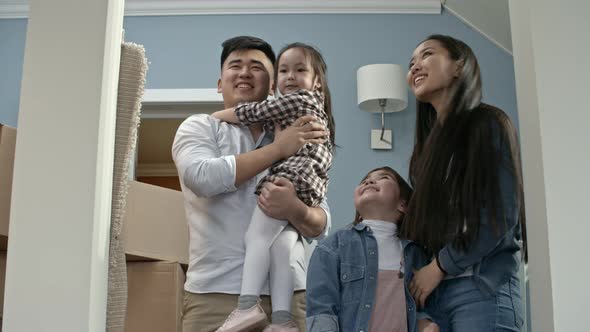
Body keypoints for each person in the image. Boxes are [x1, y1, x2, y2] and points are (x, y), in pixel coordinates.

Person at [172, 36, 332, 332]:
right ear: (220, 83)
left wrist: (296, 209)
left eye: (256, 66)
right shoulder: (200, 126)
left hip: (290, 295)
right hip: (216, 295)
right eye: (235, 65)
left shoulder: (299, 127)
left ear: (273, 86)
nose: (245, 72)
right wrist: (277, 149)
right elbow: (202, 178)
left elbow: (321, 222)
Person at [400, 34, 527, 331]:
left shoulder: (488, 124)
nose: (415, 66)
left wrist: (440, 266)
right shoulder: (425, 154)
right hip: (437, 298)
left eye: (427, 55)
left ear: (459, 66)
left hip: (482, 290)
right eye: (411, 63)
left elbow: (499, 216)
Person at [306, 166, 440, 332]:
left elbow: (424, 306)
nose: (369, 181)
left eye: (383, 177)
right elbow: (321, 310)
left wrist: (426, 323)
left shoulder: (417, 253)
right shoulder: (332, 248)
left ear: (403, 205)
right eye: (365, 180)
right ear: (359, 212)